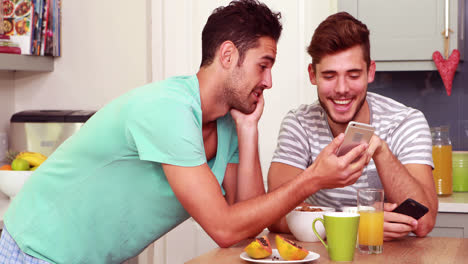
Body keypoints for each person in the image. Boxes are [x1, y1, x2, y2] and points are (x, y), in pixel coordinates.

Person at [0, 2, 372, 264]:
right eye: (263, 66)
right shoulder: (169, 110)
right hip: (36, 251)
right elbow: (225, 229)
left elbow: (247, 230)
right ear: (228, 56)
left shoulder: (227, 122)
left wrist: (248, 130)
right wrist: (313, 180)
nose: (269, 81)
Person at [267, 12, 438, 241]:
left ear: (370, 72)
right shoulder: (299, 123)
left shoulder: (406, 122)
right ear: (312, 75)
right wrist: (361, 225)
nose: (341, 89)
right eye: (329, 75)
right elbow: (274, 216)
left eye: (353, 75)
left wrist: (381, 151)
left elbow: (424, 222)